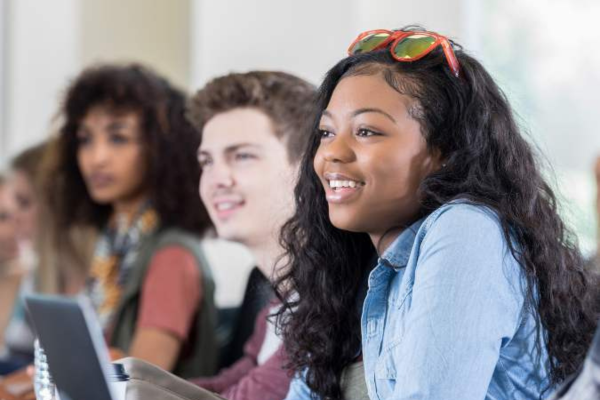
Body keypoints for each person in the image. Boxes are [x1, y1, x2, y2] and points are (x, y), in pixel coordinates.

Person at [276, 27, 599, 400]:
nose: (332, 153)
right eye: (326, 132)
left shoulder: (466, 230)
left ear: (444, 152)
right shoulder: (360, 270)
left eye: (366, 131)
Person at [42, 63, 217, 378]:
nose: (97, 158)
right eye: (85, 140)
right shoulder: (110, 246)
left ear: (161, 149)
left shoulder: (172, 256)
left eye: (118, 138)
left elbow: (137, 383)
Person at [185, 71, 316, 399]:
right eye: (207, 161)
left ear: (307, 165)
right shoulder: (280, 297)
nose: (216, 179)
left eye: (242, 156)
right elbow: (228, 385)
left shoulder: (331, 297)